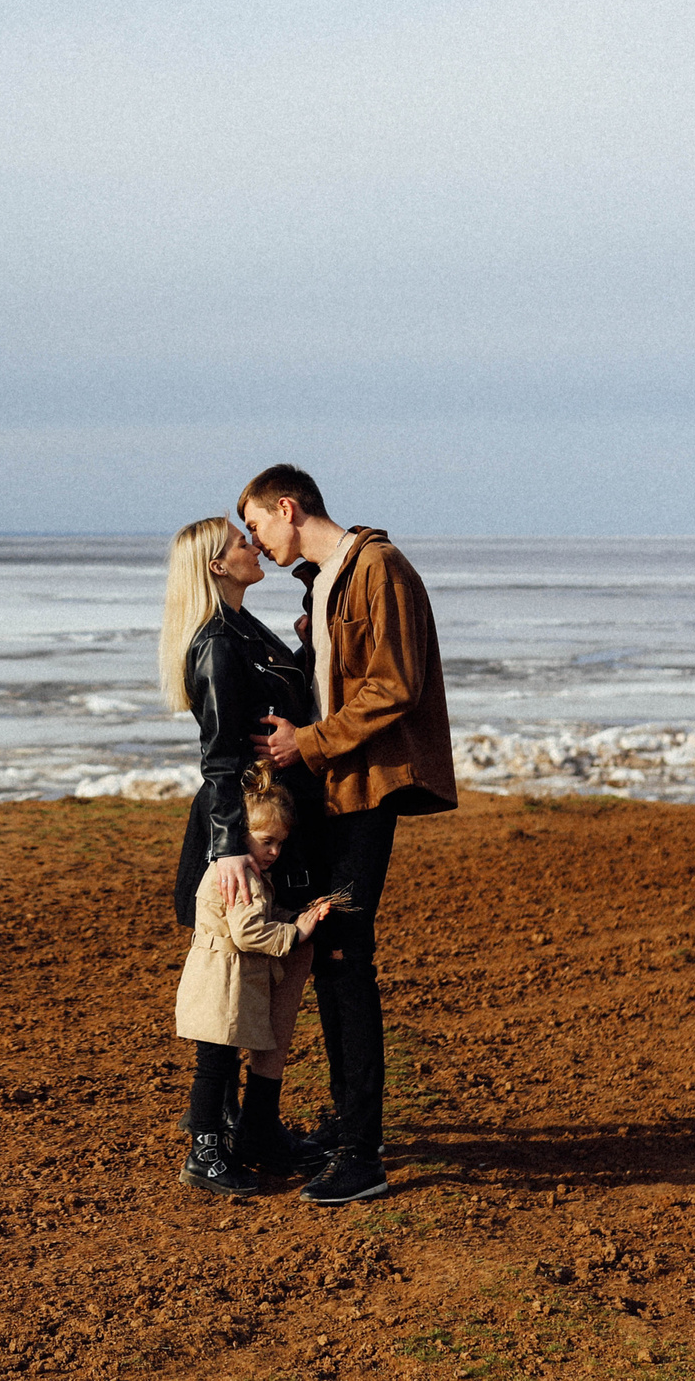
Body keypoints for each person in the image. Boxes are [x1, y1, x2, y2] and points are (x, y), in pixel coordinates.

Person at [240, 464, 457, 1205]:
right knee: (335, 959)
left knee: (344, 958)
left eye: (258, 523)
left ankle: (363, 1153)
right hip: (339, 792)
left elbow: (396, 684)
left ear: (288, 508)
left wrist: (311, 740)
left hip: (367, 790)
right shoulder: (329, 580)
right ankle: (348, 1128)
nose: (255, 540)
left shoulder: (378, 566)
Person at [159, 516, 328, 1176]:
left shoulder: (246, 630)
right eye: (239, 541)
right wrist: (230, 847)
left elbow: (294, 710)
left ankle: (254, 1129)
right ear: (215, 566)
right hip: (242, 834)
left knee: (268, 982)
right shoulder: (216, 645)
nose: (252, 545)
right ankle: (209, 1143)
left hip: (269, 825)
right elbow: (219, 759)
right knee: (228, 985)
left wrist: (308, 649)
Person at [172, 764, 332, 1195]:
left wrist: (295, 917)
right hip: (220, 985)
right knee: (214, 1069)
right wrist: (295, 933)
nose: (275, 852)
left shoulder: (250, 874)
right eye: (267, 841)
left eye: (281, 842)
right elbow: (248, 931)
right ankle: (203, 1154)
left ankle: (212, 1147)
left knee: (219, 1066)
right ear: (241, 834)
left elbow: (255, 919)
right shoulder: (241, 878)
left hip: (222, 983)